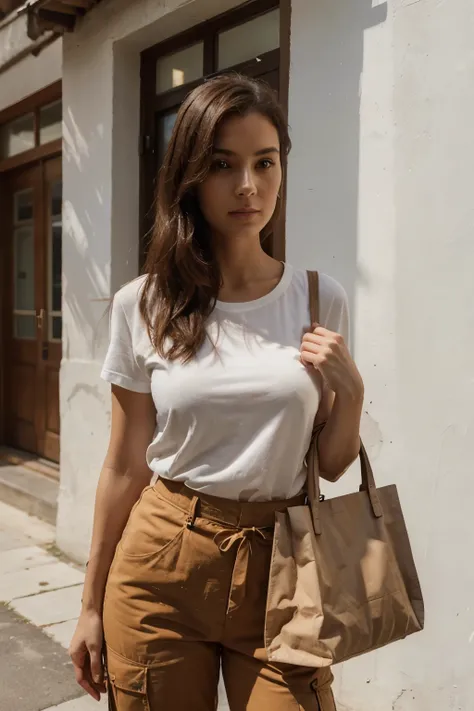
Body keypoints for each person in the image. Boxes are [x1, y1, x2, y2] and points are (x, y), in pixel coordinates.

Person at [69, 73, 364, 711]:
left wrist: (353, 392)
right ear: (191, 177)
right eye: (224, 165)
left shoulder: (319, 298)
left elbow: (334, 464)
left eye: (265, 162)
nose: (248, 186)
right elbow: (123, 464)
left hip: (283, 563)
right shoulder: (143, 304)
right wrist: (89, 606)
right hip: (162, 566)